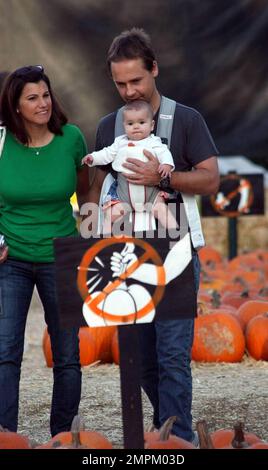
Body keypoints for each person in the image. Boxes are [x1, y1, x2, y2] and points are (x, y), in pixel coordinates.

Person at [87, 28, 220, 445]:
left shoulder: (186, 119)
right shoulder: (111, 126)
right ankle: (167, 432)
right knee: (141, 360)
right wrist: (94, 226)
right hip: (127, 254)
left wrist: (166, 176)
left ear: (155, 69)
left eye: (136, 81)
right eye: (120, 83)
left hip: (176, 251)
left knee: (172, 356)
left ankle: (177, 440)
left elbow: (211, 179)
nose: (128, 91)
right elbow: (98, 187)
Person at [0, 65, 90, 436]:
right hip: (12, 260)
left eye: (46, 95)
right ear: (15, 106)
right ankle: (5, 436)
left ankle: (63, 437)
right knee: (6, 355)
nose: (43, 104)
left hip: (62, 256)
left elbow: (86, 191)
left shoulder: (71, 138)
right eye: (32, 98)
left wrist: (87, 234)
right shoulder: (1, 142)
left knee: (68, 357)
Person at [82, 99, 176, 233]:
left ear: (152, 125)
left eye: (142, 122)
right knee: (111, 215)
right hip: (124, 195)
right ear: (124, 126)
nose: (136, 127)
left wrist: (167, 164)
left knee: (163, 212)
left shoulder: (154, 142)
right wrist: (93, 158)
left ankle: (177, 237)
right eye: (130, 123)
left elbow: (164, 152)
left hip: (150, 196)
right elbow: (107, 153)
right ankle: (104, 240)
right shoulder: (120, 142)